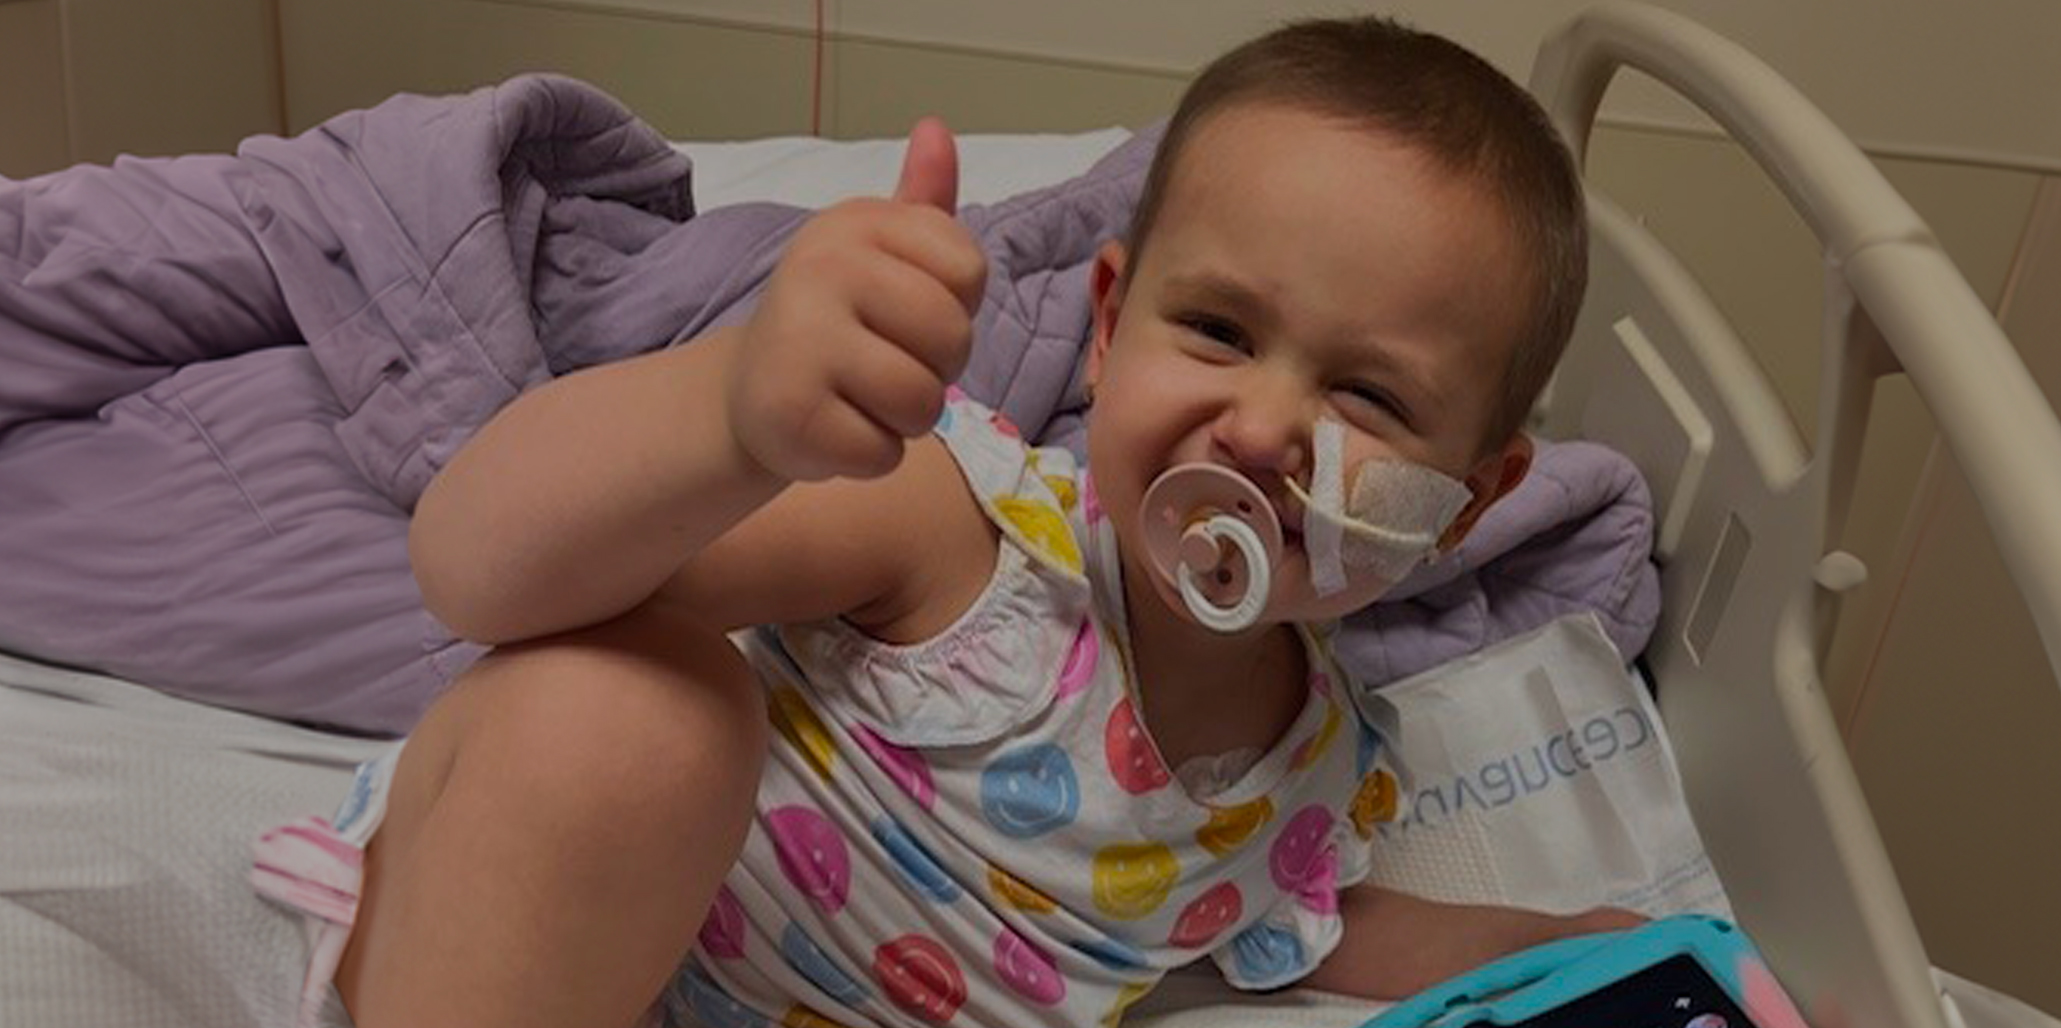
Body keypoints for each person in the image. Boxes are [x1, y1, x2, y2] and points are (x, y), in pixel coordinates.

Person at [260, 17, 1638, 1028]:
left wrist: (1586, 940)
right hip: (517, 947)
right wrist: (733, 414)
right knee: (637, 718)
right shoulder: (956, 528)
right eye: (1217, 331)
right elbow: (482, 571)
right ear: (1108, 326)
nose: (1268, 429)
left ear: (1469, 502)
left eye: (1370, 394)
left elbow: (1318, 925)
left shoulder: (1317, 759)